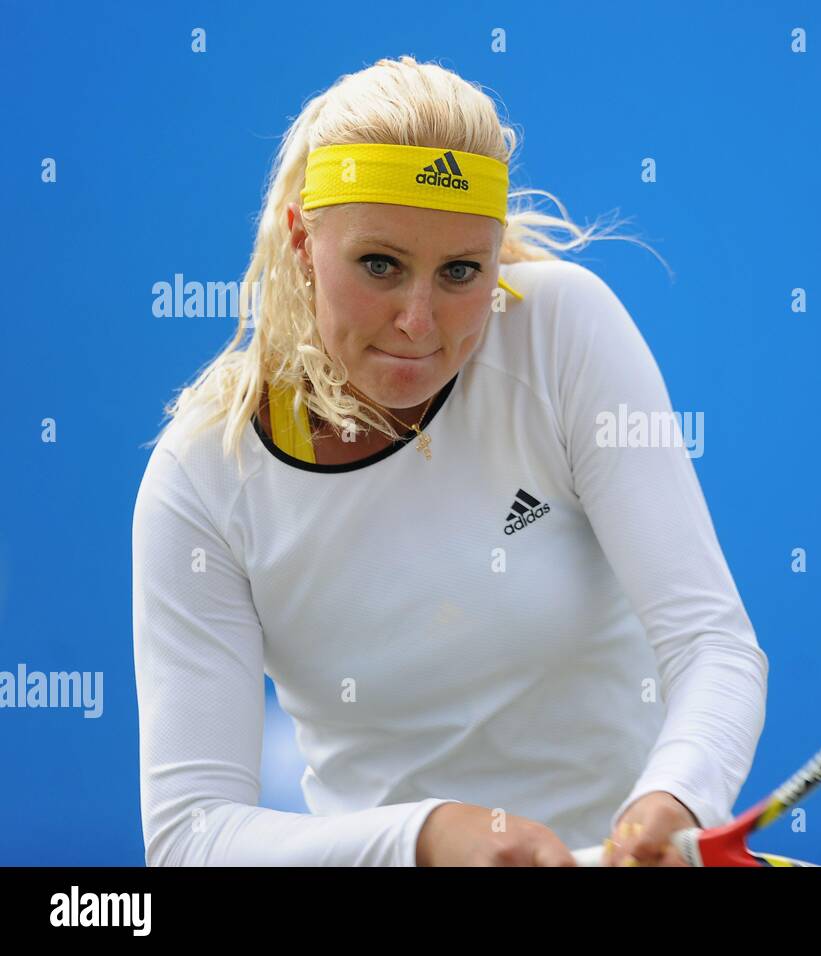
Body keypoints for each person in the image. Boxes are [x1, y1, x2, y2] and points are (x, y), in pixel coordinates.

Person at [132, 55, 767, 866]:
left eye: (462, 271)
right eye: (379, 266)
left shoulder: (564, 331)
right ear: (301, 240)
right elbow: (190, 838)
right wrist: (424, 839)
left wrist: (673, 799)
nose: (418, 322)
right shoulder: (203, 474)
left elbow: (712, 643)